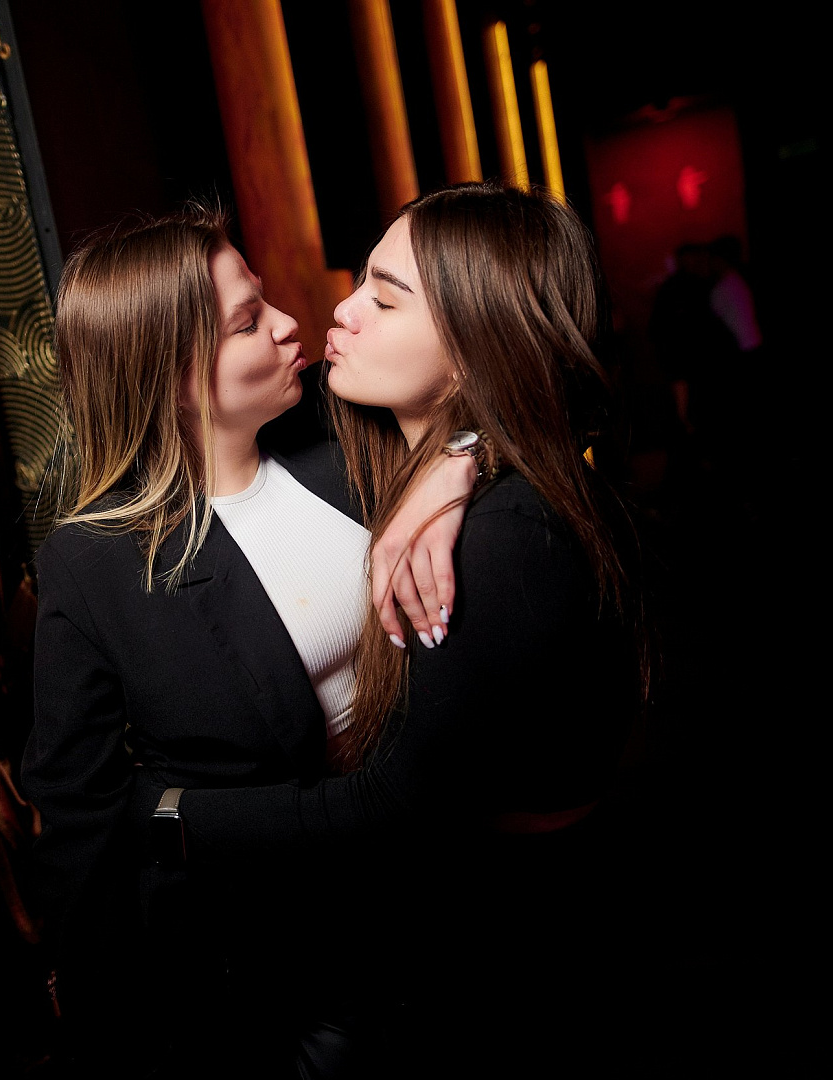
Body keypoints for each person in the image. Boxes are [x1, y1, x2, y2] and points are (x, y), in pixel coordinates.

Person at [139, 183, 647, 1069]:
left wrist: (170, 815)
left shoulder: (501, 542)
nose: (340, 310)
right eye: (360, 283)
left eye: (385, 297)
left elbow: (397, 809)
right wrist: (463, 450)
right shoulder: (381, 455)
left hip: (514, 958)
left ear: (473, 350)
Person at [20, 206, 476, 1077]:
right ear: (170, 376)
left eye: (263, 298)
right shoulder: (96, 562)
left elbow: (527, 398)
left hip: (439, 882)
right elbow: (79, 818)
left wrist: (457, 464)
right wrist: (100, 1020)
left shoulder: (340, 431)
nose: (287, 323)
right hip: (266, 955)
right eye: (246, 321)